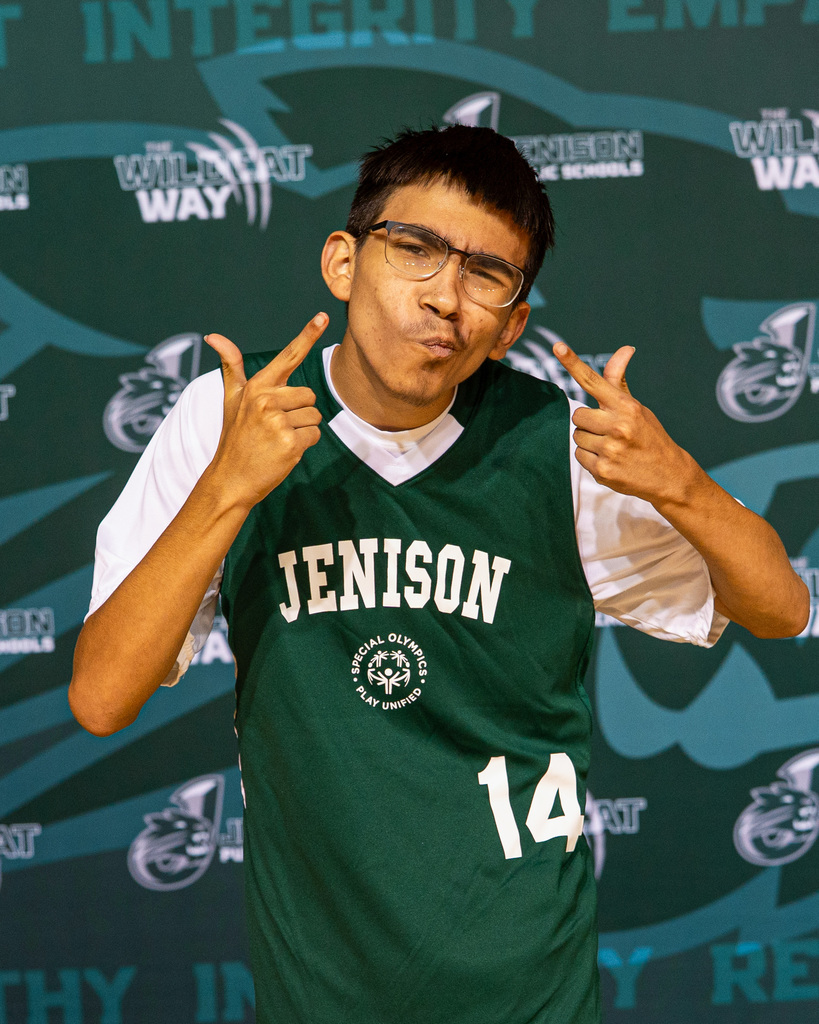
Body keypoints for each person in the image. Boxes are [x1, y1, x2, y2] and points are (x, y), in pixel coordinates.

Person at [70, 126, 808, 1024]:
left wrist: (683, 486)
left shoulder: (556, 445)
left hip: (527, 990)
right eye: (414, 250)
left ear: (512, 326)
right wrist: (225, 492)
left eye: (486, 275)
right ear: (343, 261)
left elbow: (779, 607)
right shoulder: (233, 417)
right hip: (319, 995)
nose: (444, 298)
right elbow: (103, 695)